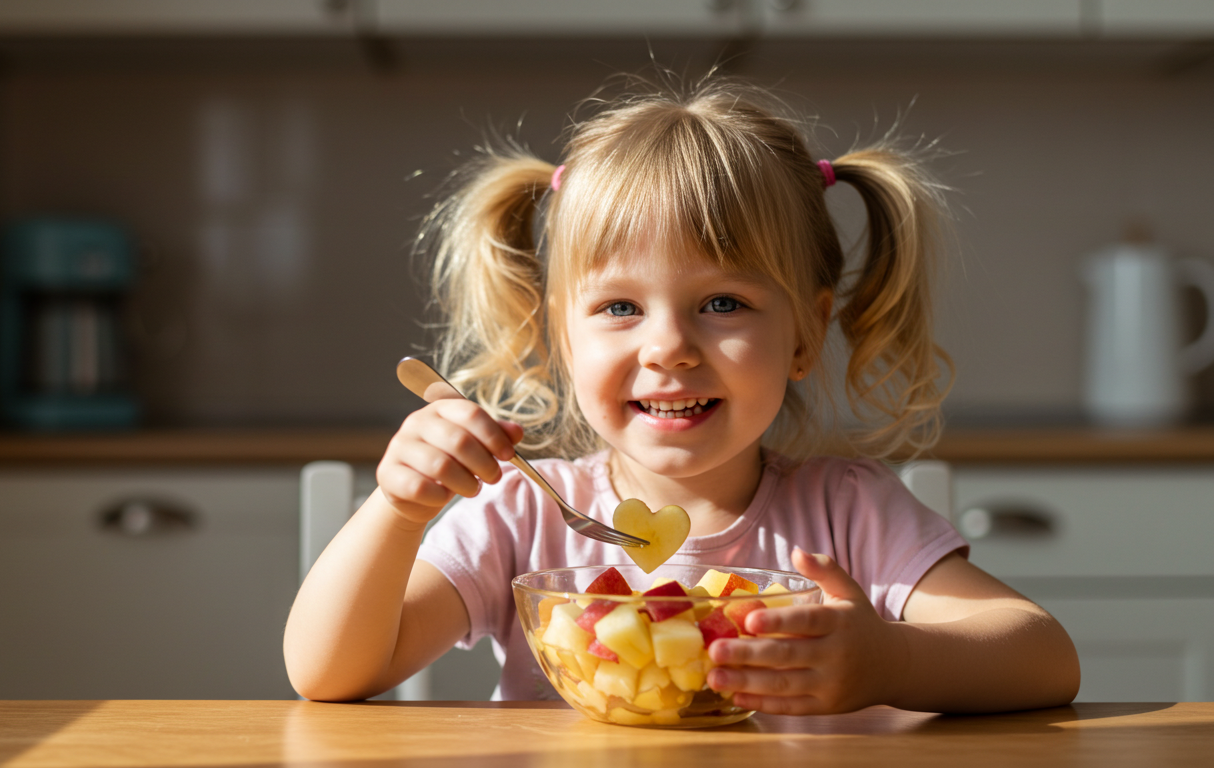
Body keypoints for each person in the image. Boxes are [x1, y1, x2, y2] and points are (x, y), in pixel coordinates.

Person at [285, 75, 1080, 714]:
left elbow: (1044, 656)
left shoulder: (849, 512)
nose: (668, 347)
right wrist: (397, 508)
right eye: (620, 308)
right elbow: (329, 674)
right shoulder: (524, 513)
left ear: (804, 334)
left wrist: (893, 659)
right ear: (565, 338)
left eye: (723, 304)